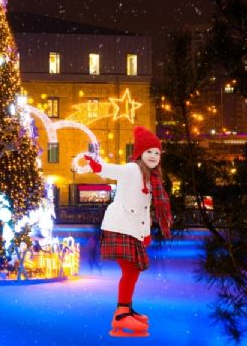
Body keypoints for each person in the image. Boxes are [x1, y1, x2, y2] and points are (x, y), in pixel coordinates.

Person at [72, 126, 172, 338]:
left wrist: (145, 233)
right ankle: (121, 313)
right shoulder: (132, 170)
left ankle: (125, 308)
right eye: (149, 152)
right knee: (130, 270)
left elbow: (145, 209)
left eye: (157, 152)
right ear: (140, 154)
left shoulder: (151, 178)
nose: (154, 156)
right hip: (119, 226)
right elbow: (109, 170)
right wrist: (96, 165)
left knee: (132, 271)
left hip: (132, 229)